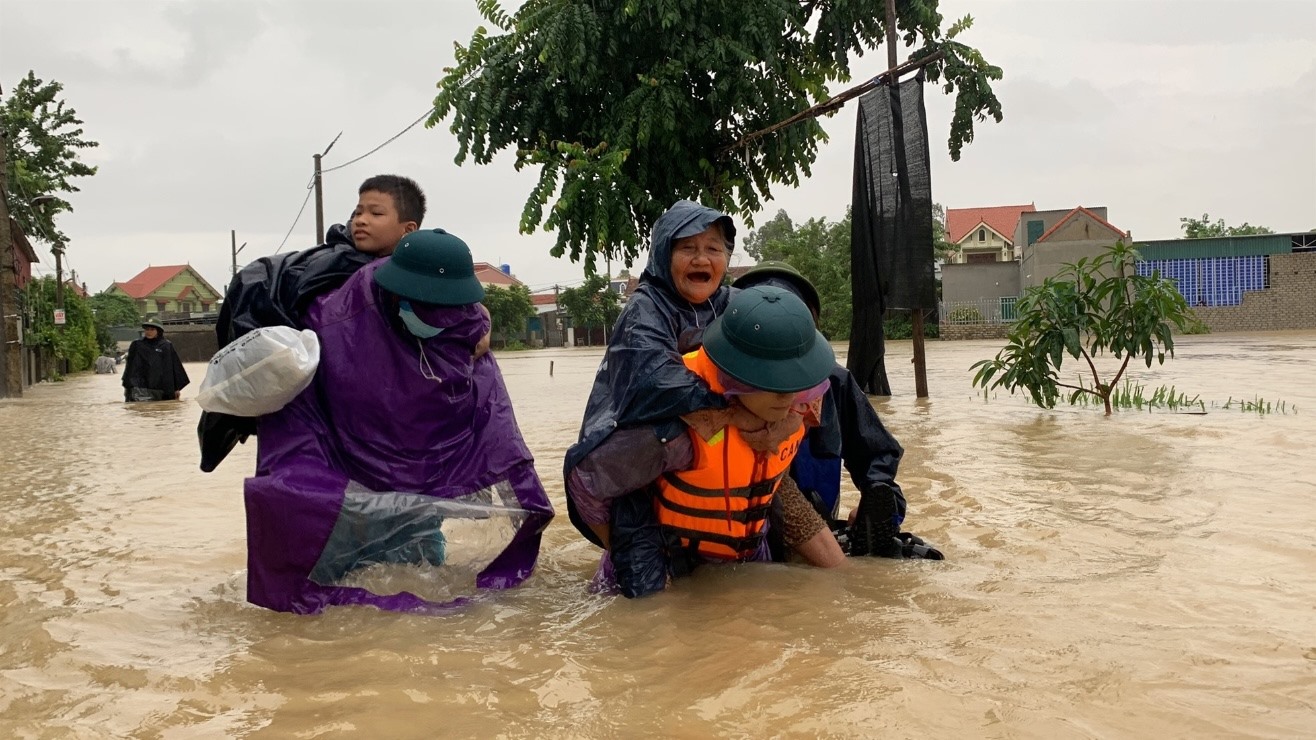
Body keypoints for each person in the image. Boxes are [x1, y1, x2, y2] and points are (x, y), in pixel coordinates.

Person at [243, 228, 552, 614]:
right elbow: (299, 419)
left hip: (419, 484)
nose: (437, 315)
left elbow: (493, 418)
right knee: (340, 593)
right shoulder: (334, 324)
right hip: (348, 474)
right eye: (425, 306)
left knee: (421, 571)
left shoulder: (465, 326)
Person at [570, 286, 845, 594]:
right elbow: (585, 481)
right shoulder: (680, 432)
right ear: (736, 377)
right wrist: (620, 547)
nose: (788, 395)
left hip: (746, 560)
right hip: (669, 566)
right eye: (775, 382)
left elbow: (781, 473)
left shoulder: (799, 404)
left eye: (796, 380)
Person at [200, 174, 477, 472]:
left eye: (376, 213)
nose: (361, 220)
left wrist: (477, 324)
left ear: (408, 229)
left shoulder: (416, 275)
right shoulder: (336, 270)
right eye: (358, 212)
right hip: (335, 415)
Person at [563, 199, 741, 596]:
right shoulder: (646, 306)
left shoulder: (734, 305)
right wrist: (736, 407)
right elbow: (657, 379)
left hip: (720, 463)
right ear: (665, 254)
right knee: (644, 604)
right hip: (638, 467)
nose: (702, 258)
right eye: (688, 248)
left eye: (713, 248)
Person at [731, 262, 943, 560]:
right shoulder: (712, 380)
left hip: (811, 519)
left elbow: (876, 452)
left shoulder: (833, 381)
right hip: (745, 522)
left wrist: (878, 498)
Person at [122, 320, 189, 402]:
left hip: (160, 388)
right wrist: (127, 385)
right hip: (138, 387)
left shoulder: (166, 346)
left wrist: (176, 388)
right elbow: (129, 367)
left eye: (152, 329)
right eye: (147, 329)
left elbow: (174, 367)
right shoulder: (137, 345)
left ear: (158, 331)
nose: (149, 332)